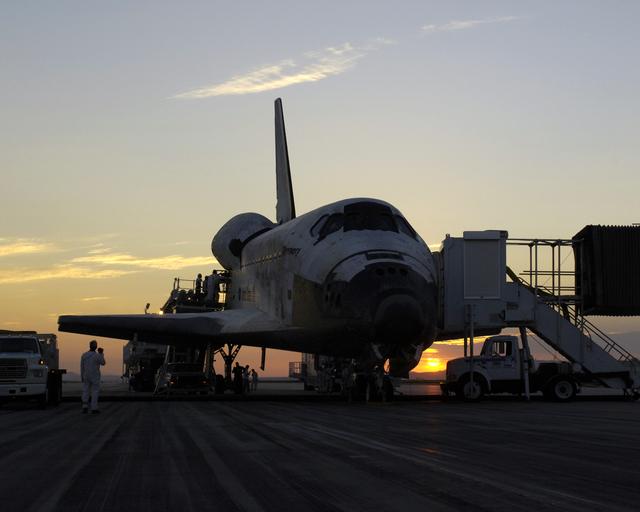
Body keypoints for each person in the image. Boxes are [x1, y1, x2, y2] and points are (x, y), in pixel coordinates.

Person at [80, 340, 105, 414]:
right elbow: (103, 362)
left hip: (86, 375)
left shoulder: (84, 355)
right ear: (96, 347)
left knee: (85, 390)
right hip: (94, 376)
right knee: (95, 391)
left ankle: (85, 407)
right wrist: (101, 353)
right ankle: (94, 408)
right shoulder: (97, 355)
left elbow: (82, 367)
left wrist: (82, 376)